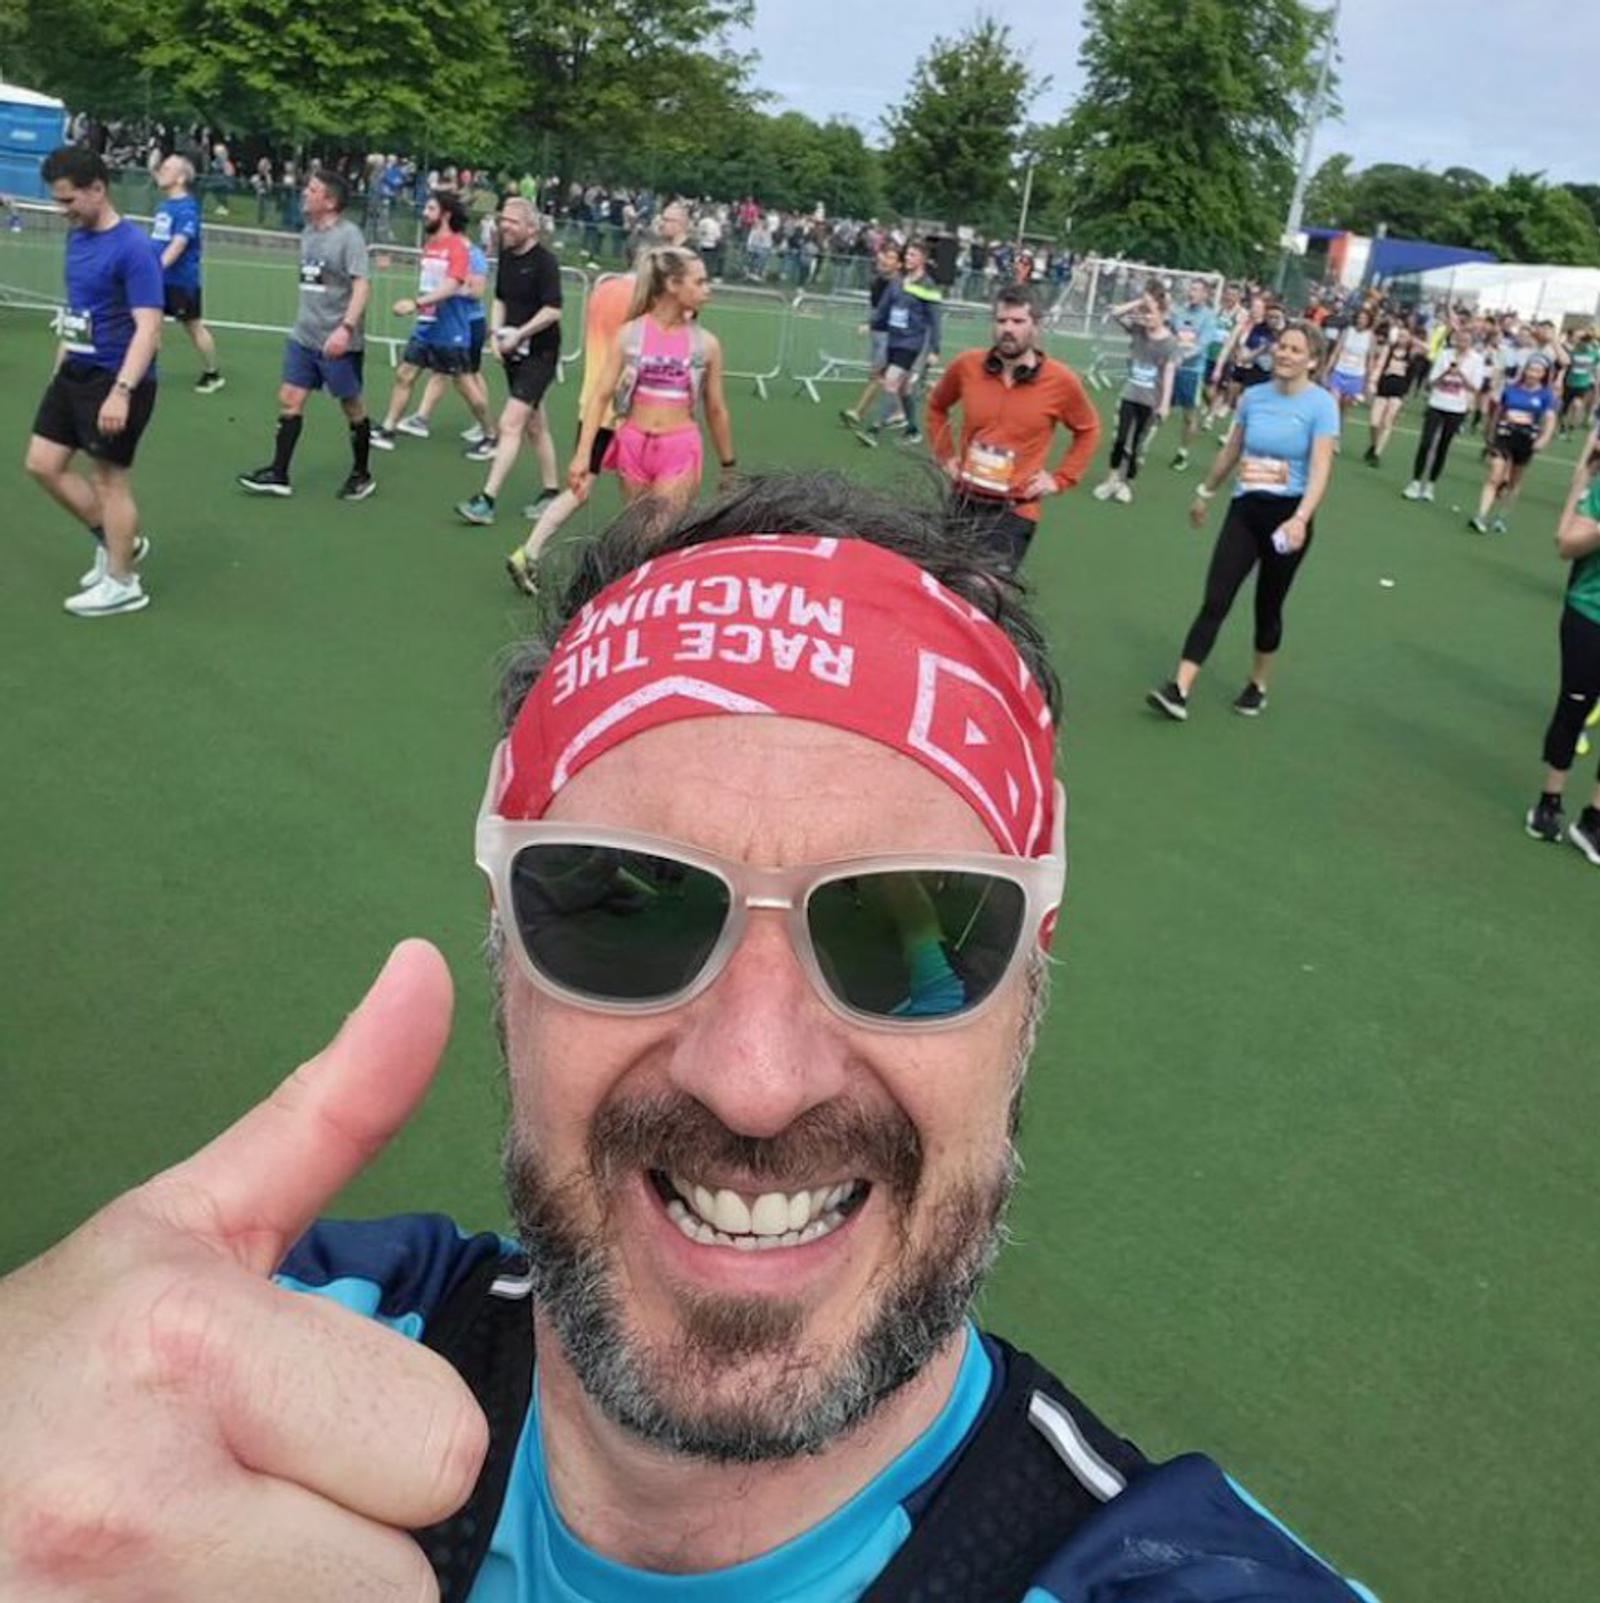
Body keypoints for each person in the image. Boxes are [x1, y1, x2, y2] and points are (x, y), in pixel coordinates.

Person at [0, 473, 1378, 1603]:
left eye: (913, 927)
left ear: (1033, 973)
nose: (756, 1074)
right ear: (503, 940)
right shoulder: (252, 1357)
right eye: (627, 907)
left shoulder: (1168, 1576)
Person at [1148, 321, 1339, 721]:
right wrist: (1206, 492)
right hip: (1245, 510)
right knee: (1216, 599)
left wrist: (1302, 518)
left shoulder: (1321, 405)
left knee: (1267, 608)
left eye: (1295, 350)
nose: (1284, 354)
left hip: (1287, 517)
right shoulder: (1253, 397)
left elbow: (1321, 468)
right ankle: (1179, 688)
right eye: (1282, 347)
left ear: (1313, 360)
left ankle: (1258, 683)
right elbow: (1232, 450)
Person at [504, 202, 691, 596]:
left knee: (580, 488)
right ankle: (635, 573)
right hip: (628, 414)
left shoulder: (604, 290)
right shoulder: (642, 303)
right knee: (644, 502)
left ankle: (529, 551)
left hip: (592, 405)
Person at [24, 145, 162, 617]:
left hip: (116, 378)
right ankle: (116, 543)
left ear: (97, 189)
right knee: (42, 464)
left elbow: (149, 328)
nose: (62, 211)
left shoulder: (134, 248)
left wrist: (121, 392)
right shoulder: (78, 237)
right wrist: (61, 361)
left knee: (109, 481)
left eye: (68, 201)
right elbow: (79, 308)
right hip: (75, 371)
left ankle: (123, 582)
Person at [925, 285, 1102, 572]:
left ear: (1036, 326)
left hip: (1015, 510)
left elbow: (1089, 429)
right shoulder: (967, 365)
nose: (1008, 329)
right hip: (964, 500)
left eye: (1018, 321)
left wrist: (1060, 479)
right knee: (946, 585)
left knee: (985, 590)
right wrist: (945, 456)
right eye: (1001, 321)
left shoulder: (1061, 381)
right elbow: (936, 406)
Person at [567, 244, 735, 524]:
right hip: (633, 445)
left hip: (679, 448)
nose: (708, 289)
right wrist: (583, 455)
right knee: (638, 533)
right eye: (700, 281)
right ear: (672, 284)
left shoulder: (706, 345)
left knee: (660, 532)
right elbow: (601, 396)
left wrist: (728, 465)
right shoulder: (629, 336)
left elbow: (716, 409)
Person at [237, 171, 375, 501]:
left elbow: (362, 286)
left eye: (312, 190)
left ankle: (361, 473)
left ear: (330, 201)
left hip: (337, 341)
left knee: (351, 405)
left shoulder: (349, 237)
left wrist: (345, 329)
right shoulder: (308, 233)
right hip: (304, 336)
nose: (304, 193)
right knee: (290, 398)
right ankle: (279, 473)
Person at [456, 198, 563, 526]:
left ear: (532, 227)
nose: (505, 226)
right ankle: (551, 492)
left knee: (510, 424)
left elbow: (553, 310)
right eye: (503, 220)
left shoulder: (545, 262)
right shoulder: (505, 256)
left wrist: (520, 333)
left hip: (540, 353)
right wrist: (496, 335)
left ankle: (486, 500)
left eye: (513, 222)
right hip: (513, 352)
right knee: (535, 426)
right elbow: (500, 298)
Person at [370, 192, 488, 452]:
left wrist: (417, 303)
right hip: (427, 324)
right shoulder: (431, 245)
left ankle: (491, 433)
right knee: (405, 374)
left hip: (453, 327)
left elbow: (458, 287)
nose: (424, 212)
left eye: (431, 208)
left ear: (445, 214)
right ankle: (389, 428)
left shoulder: (462, 248)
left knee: (465, 383)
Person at [1525, 476, 1600, 865]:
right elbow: (1567, 544)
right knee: (1574, 707)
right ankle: (1549, 803)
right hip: (1590, 614)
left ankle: (1594, 820)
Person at [404, 233, 499, 455]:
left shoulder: (473, 254)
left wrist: (448, 288)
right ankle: (422, 418)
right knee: (442, 372)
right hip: (452, 322)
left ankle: (487, 428)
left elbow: (476, 291)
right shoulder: (450, 252)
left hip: (470, 322)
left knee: (468, 376)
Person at [1091, 281, 1177, 505]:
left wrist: (1165, 404)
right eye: (1145, 313)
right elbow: (1115, 314)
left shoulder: (1169, 342)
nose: (1146, 317)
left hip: (1150, 402)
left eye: (1151, 313)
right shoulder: (1138, 330)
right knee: (1119, 439)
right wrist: (1141, 301)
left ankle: (1127, 484)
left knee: (1138, 445)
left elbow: (1169, 373)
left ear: (1163, 313)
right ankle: (1112, 479)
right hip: (1130, 395)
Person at [854, 240, 942, 447]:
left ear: (923, 259)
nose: (908, 259)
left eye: (912, 255)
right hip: (894, 341)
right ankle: (913, 430)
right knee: (904, 391)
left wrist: (934, 348)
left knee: (891, 381)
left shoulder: (929, 287)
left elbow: (935, 320)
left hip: (912, 343)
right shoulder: (897, 282)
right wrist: (869, 323)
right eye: (907, 255)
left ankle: (874, 430)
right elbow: (884, 308)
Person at [148, 154, 222, 394]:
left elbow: (178, 244)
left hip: (181, 283)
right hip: (159, 280)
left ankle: (212, 373)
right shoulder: (165, 205)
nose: (161, 171)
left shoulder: (187, 208)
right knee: (151, 324)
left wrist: (155, 268)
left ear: (180, 178)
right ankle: (147, 369)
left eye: (167, 168)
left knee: (193, 326)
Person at [1403, 327, 1485, 502]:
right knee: (1426, 443)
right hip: (1437, 404)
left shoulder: (1477, 360)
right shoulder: (1445, 355)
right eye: (1459, 339)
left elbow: (1475, 388)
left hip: (1457, 408)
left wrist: (1461, 373)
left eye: (1466, 340)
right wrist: (1446, 372)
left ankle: (1430, 485)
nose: (1462, 342)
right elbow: (1431, 382)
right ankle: (1415, 482)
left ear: (1471, 342)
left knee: (1443, 446)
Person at [840, 241, 902, 430]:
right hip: (878, 334)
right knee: (885, 377)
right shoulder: (877, 281)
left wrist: (870, 323)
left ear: (899, 264)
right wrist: (869, 322)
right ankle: (900, 411)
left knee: (877, 375)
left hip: (891, 335)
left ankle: (858, 413)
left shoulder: (899, 285)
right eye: (884, 255)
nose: (884, 259)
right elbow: (877, 308)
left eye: (891, 257)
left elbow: (893, 311)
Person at [1166, 278, 1220, 471]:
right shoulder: (1179, 313)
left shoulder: (1209, 317)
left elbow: (1202, 344)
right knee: (1159, 407)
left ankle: (1183, 453)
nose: (1192, 293)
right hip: (1172, 369)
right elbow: (1170, 332)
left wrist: (1183, 356)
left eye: (1196, 290)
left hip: (1192, 371)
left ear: (1205, 294)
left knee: (1189, 415)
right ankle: (1141, 445)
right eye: (1191, 289)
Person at [1362, 319, 1416, 466]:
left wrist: (1414, 341)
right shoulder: (1389, 349)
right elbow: (1379, 366)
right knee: (1374, 422)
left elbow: (1429, 350)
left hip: (1398, 390)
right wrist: (1372, 382)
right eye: (1400, 335)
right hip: (1384, 386)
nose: (1402, 339)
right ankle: (1373, 445)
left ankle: (1377, 454)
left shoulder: (1412, 353)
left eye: (1405, 336)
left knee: (1387, 422)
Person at [1321, 307, 1374, 420]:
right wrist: (1327, 370)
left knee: (1344, 406)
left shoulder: (1370, 336)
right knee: (1333, 403)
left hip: (1356, 375)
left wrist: (1368, 381)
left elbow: (1370, 359)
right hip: (1340, 371)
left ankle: (1339, 429)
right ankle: (1331, 429)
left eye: (1365, 318)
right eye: (1360, 318)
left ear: (1369, 321)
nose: (1361, 320)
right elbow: (1336, 352)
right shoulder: (1347, 331)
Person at [1561, 328, 1598, 435]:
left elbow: (1595, 368)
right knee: (1565, 406)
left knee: (1577, 404)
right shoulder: (1573, 352)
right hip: (1570, 382)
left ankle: (1571, 426)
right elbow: (1566, 366)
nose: (1585, 343)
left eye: (1588, 341)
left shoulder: (1594, 353)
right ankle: (1563, 427)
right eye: (1583, 340)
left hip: (1583, 384)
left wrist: (1596, 381)